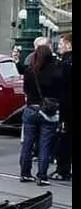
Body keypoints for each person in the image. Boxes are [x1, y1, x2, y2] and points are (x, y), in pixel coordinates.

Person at [19, 44, 63, 186]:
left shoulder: (30, 70)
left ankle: (25, 173)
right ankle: (42, 176)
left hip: (31, 109)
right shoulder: (56, 71)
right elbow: (59, 92)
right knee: (45, 144)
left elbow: (25, 89)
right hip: (48, 111)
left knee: (28, 142)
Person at [50, 33, 72, 181]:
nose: (59, 46)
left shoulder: (65, 63)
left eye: (62, 44)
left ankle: (62, 170)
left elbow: (59, 85)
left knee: (64, 138)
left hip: (66, 107)